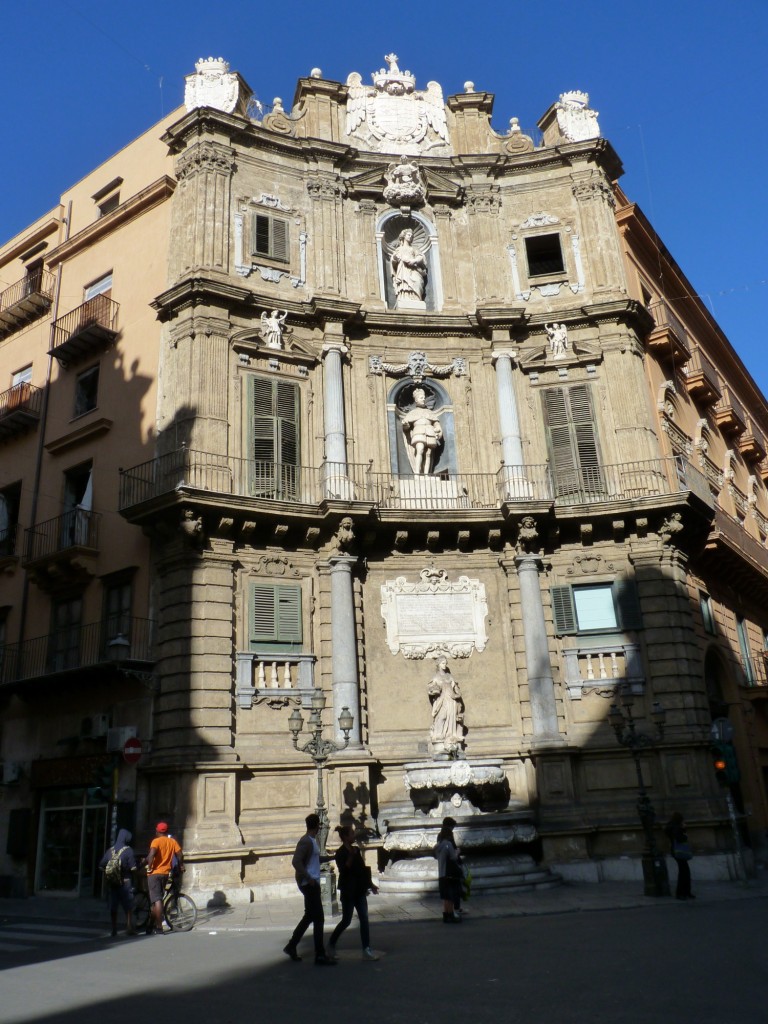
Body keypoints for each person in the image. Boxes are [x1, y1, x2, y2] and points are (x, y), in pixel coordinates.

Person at [283, 813, 336, 965]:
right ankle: (319, 954)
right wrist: (308, 878)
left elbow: (315, 859)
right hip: (309, 884)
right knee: (319, 918)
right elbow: (296, 862)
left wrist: (331, 857)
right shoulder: (305, 841)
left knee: (310, 916)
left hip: (312, 883)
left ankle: (291, 946)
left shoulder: (312, 841)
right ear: (318, 826)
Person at [327, 823, 379, 961]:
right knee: (346, 920)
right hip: (348, 891)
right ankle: (332, 942)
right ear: (345, 837)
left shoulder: (356, 850)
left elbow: (362, 869)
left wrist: (371, 884)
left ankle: (367, 948)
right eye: (351, 834)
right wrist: (350, 856)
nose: (353, 836)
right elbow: (344, 870)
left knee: (364, 918)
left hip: (359, 890)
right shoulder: (341, 853)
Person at [145, 822, 184, 934]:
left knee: (157, 900)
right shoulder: (172, 841)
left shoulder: (156, 841)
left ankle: (159, 927)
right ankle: (150, 926)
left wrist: (150, 867)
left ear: (157, 831)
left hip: (154, 873)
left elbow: (152, 854)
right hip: (165, 873)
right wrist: (181, 865)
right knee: (156, 901)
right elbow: (180, 854)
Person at [99, 828, 138, 937]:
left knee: (114, 906)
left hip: (113, 883)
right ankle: (129, 927)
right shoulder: (128, 850)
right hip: (125, 882)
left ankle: (114, 929)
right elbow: (133, 868)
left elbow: (101, 865)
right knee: (128, 906)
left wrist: (110, 873)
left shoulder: (110, 850)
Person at [401, 387, 443, 475]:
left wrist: (438, 429)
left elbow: (436, 423)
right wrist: (406, 425)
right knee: (419, 449)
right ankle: (417, 473)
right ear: (416, 400)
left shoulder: (430, 412)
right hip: (418, 432)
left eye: (424, 397)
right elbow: (406, 428)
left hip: (430, 432)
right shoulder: (412, 413)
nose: (423, 399)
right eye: (421, 398)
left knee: (428, 453)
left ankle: (426, 474)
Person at [428, 657, 464, 756]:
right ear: (438, 664)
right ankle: (439, 736)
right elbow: (430, 689)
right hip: (441, 700)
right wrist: (433, 691)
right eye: (443, 663)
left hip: (451, 700)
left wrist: (457, 694)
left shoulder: (449, 676)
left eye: (445, 663)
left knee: (451, 718)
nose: (445, 665)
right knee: (442, 717)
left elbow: (456, 688)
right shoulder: (436, 677)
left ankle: (450, 736)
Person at [435, 817, 463, 923]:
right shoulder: (448, 844)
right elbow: (453, 857)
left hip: (441, 873)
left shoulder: (438, 846)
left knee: (445, 896)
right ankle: (451, 914)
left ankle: (446, 915)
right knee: (451, 896)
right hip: (450, 873)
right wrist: (457, 852)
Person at [390, 227, 427, 305]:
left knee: (417, 282)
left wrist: (413, 261)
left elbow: (420, 257)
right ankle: (404, 298)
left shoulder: (414, 249)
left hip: (414, 269)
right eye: (408, 235)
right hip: (403, 269)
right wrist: (395, 258)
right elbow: (393, 261)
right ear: (404, 236)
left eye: (411, 235)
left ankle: (416, 298)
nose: (410, 236)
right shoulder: (399, 249)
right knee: (404, 284)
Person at [665, 811, 695, 900]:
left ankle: (685, 892)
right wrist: (684, 831)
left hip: (675, 851)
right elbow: (680, 838)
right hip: (679, 851)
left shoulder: (671, 826)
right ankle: (681, 893)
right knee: (684, 872)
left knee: (684, 872)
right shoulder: (677, 827)